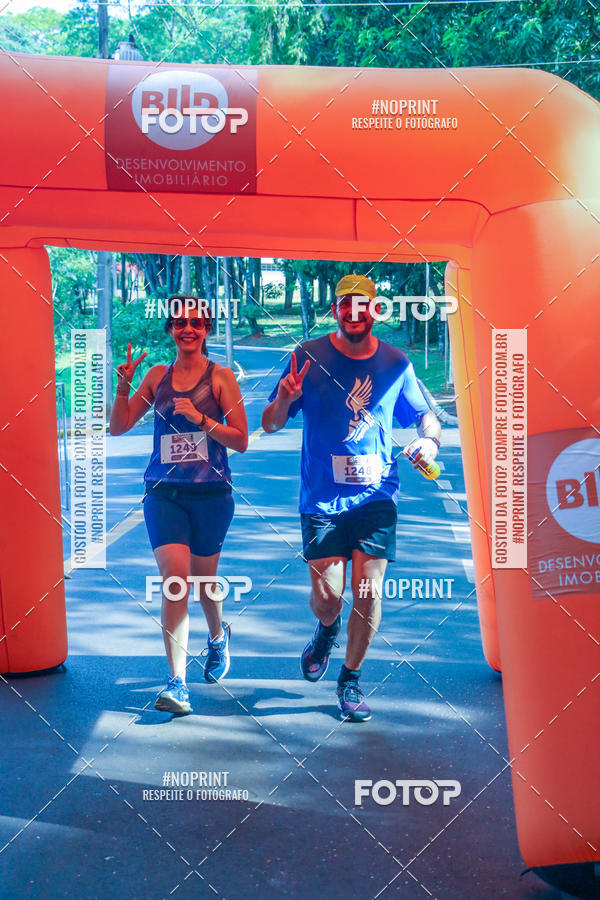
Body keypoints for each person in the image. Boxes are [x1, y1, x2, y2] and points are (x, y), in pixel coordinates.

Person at [261, 274, 441, 722]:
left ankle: (351, 679)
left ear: (374, 310)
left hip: (377, 495)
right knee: (328, 597)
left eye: (363, 305)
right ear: (336, 309)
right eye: (345, 304)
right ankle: (326, 631)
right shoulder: (307, 357)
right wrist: (284, 398)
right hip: (322, 498)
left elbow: (426, 418)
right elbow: (270, 424)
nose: (354, 312)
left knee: (368, 589)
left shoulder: (396, 363)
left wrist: (430, 444)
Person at [109, 296, 248, 715]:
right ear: (170, 329)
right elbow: (118, 427)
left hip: (211, 495)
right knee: (176, 582)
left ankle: (218, 636)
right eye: (180, 323)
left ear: (205, 329)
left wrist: (202, 419)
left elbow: (241, 439)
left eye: (196, 323)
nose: (188, 329)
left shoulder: (220, 378)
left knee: (206, 584)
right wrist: (123, 386)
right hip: (164, 493)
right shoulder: (156, 377)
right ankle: (177, 682)